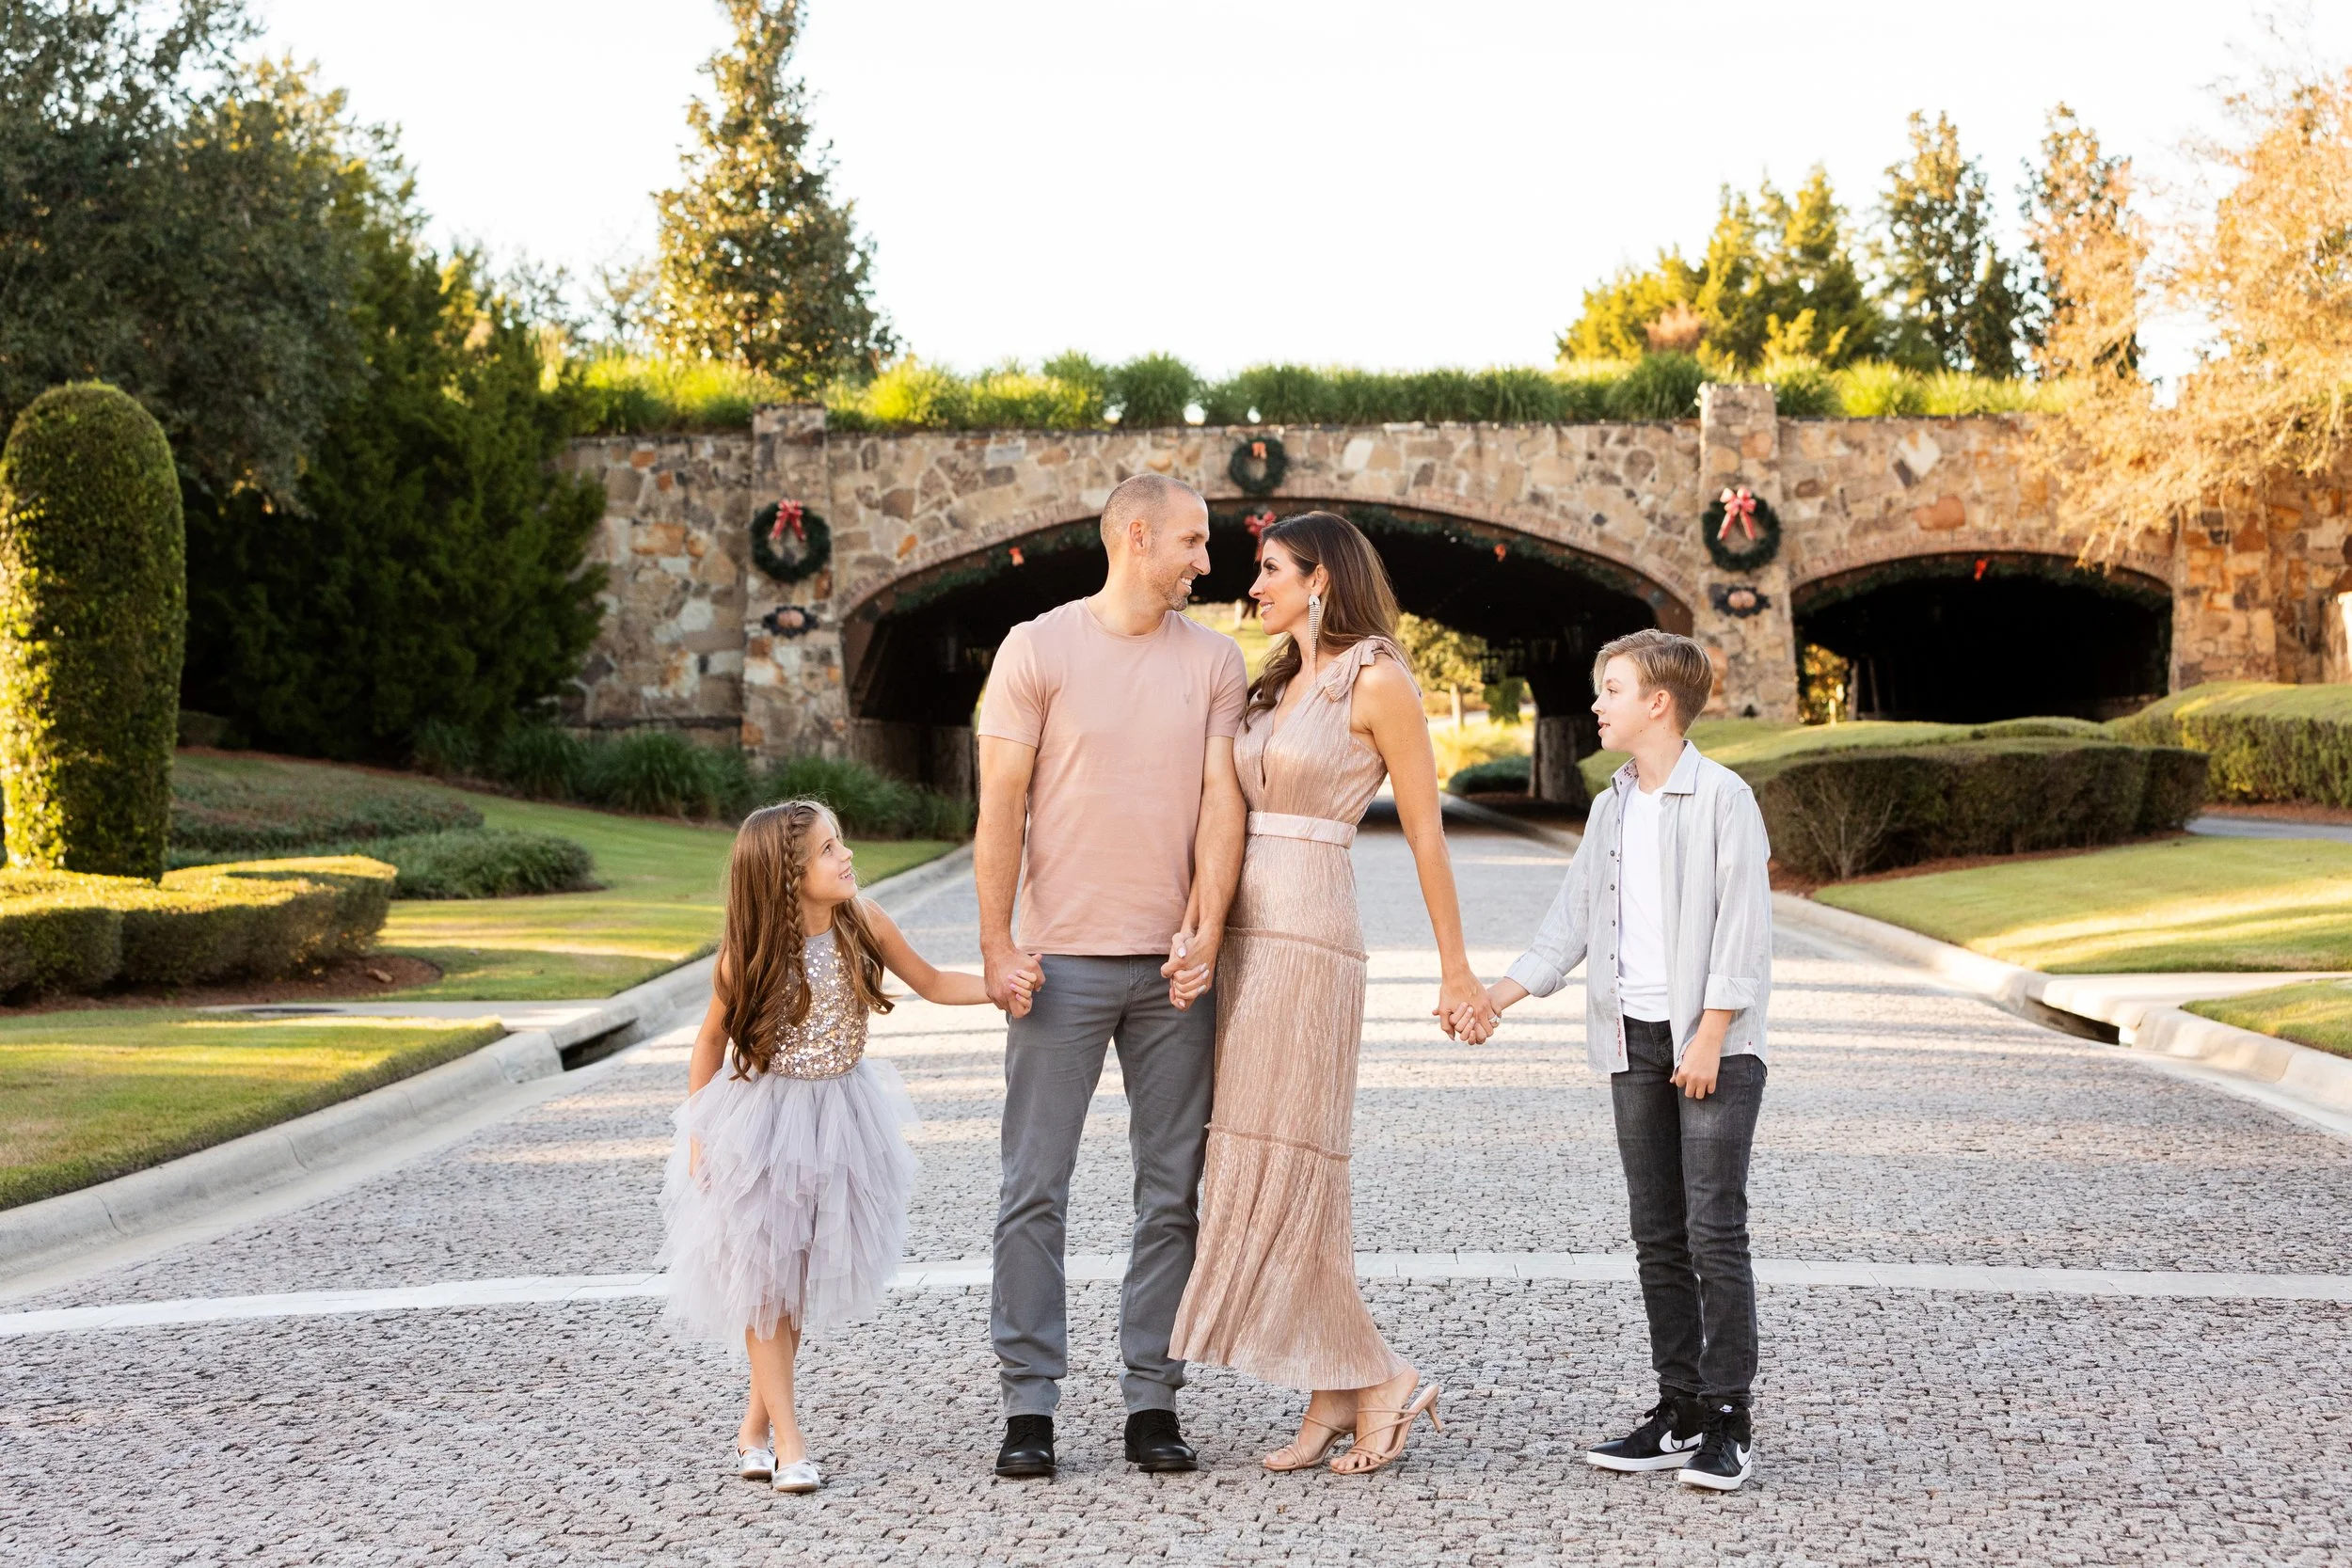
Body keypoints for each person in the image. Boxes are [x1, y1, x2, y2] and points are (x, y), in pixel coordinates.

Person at [1168, 511, 1493, 1476]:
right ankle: (1335, 1392)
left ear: (1321, 579)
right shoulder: (1271, 679)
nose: (1250, 586)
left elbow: (1428, 833)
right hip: (1243, 932)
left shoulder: (1378, 678)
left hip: (1312, 932)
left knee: (1296, 1160)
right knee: (1250, 1153)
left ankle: (1379, 1373)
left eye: (1267, 569)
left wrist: (1456, 968)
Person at [973, 472, 1248, 1479]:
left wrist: (1206, 925)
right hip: (1059, 964)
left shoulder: (1216, 661)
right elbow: (1000, 804)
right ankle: (1028, 1405)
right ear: (1136, 535)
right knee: (1031, 1188)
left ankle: (1151, 1398)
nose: (1205, 561)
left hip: (1173, 972)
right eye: (1193, 540)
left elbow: (1224, 800)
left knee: (1170, 1191)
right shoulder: (1036, 647)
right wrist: (999, 944)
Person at [1461, 628, 1772, 1494]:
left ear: (1658, 704)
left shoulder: (1723, 799)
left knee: (1716, 1229)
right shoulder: (1611, 806)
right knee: (1656, 1232)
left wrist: (1709, 1032)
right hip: (1631, 1042)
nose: (1595, 703)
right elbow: (1570, 927)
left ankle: (1729, 1417)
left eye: (1612, 689)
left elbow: (1743, 928)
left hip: (1712, 1041)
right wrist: (1496, 996)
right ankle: (1677, 1408)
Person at [660, 800, 1028, 1495]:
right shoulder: (753, 952)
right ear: (788, 875)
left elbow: (932, 981)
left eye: (841, 842)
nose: (846, 855)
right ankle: (790, 1440)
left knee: (793, 1285)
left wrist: (1000, 987)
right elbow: (710, 1041)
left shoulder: (864, 921)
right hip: (762, 1123)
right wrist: (698, 1136)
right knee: (766, 1280)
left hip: (843, 1118)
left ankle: (754, 1426)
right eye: (830, 849)